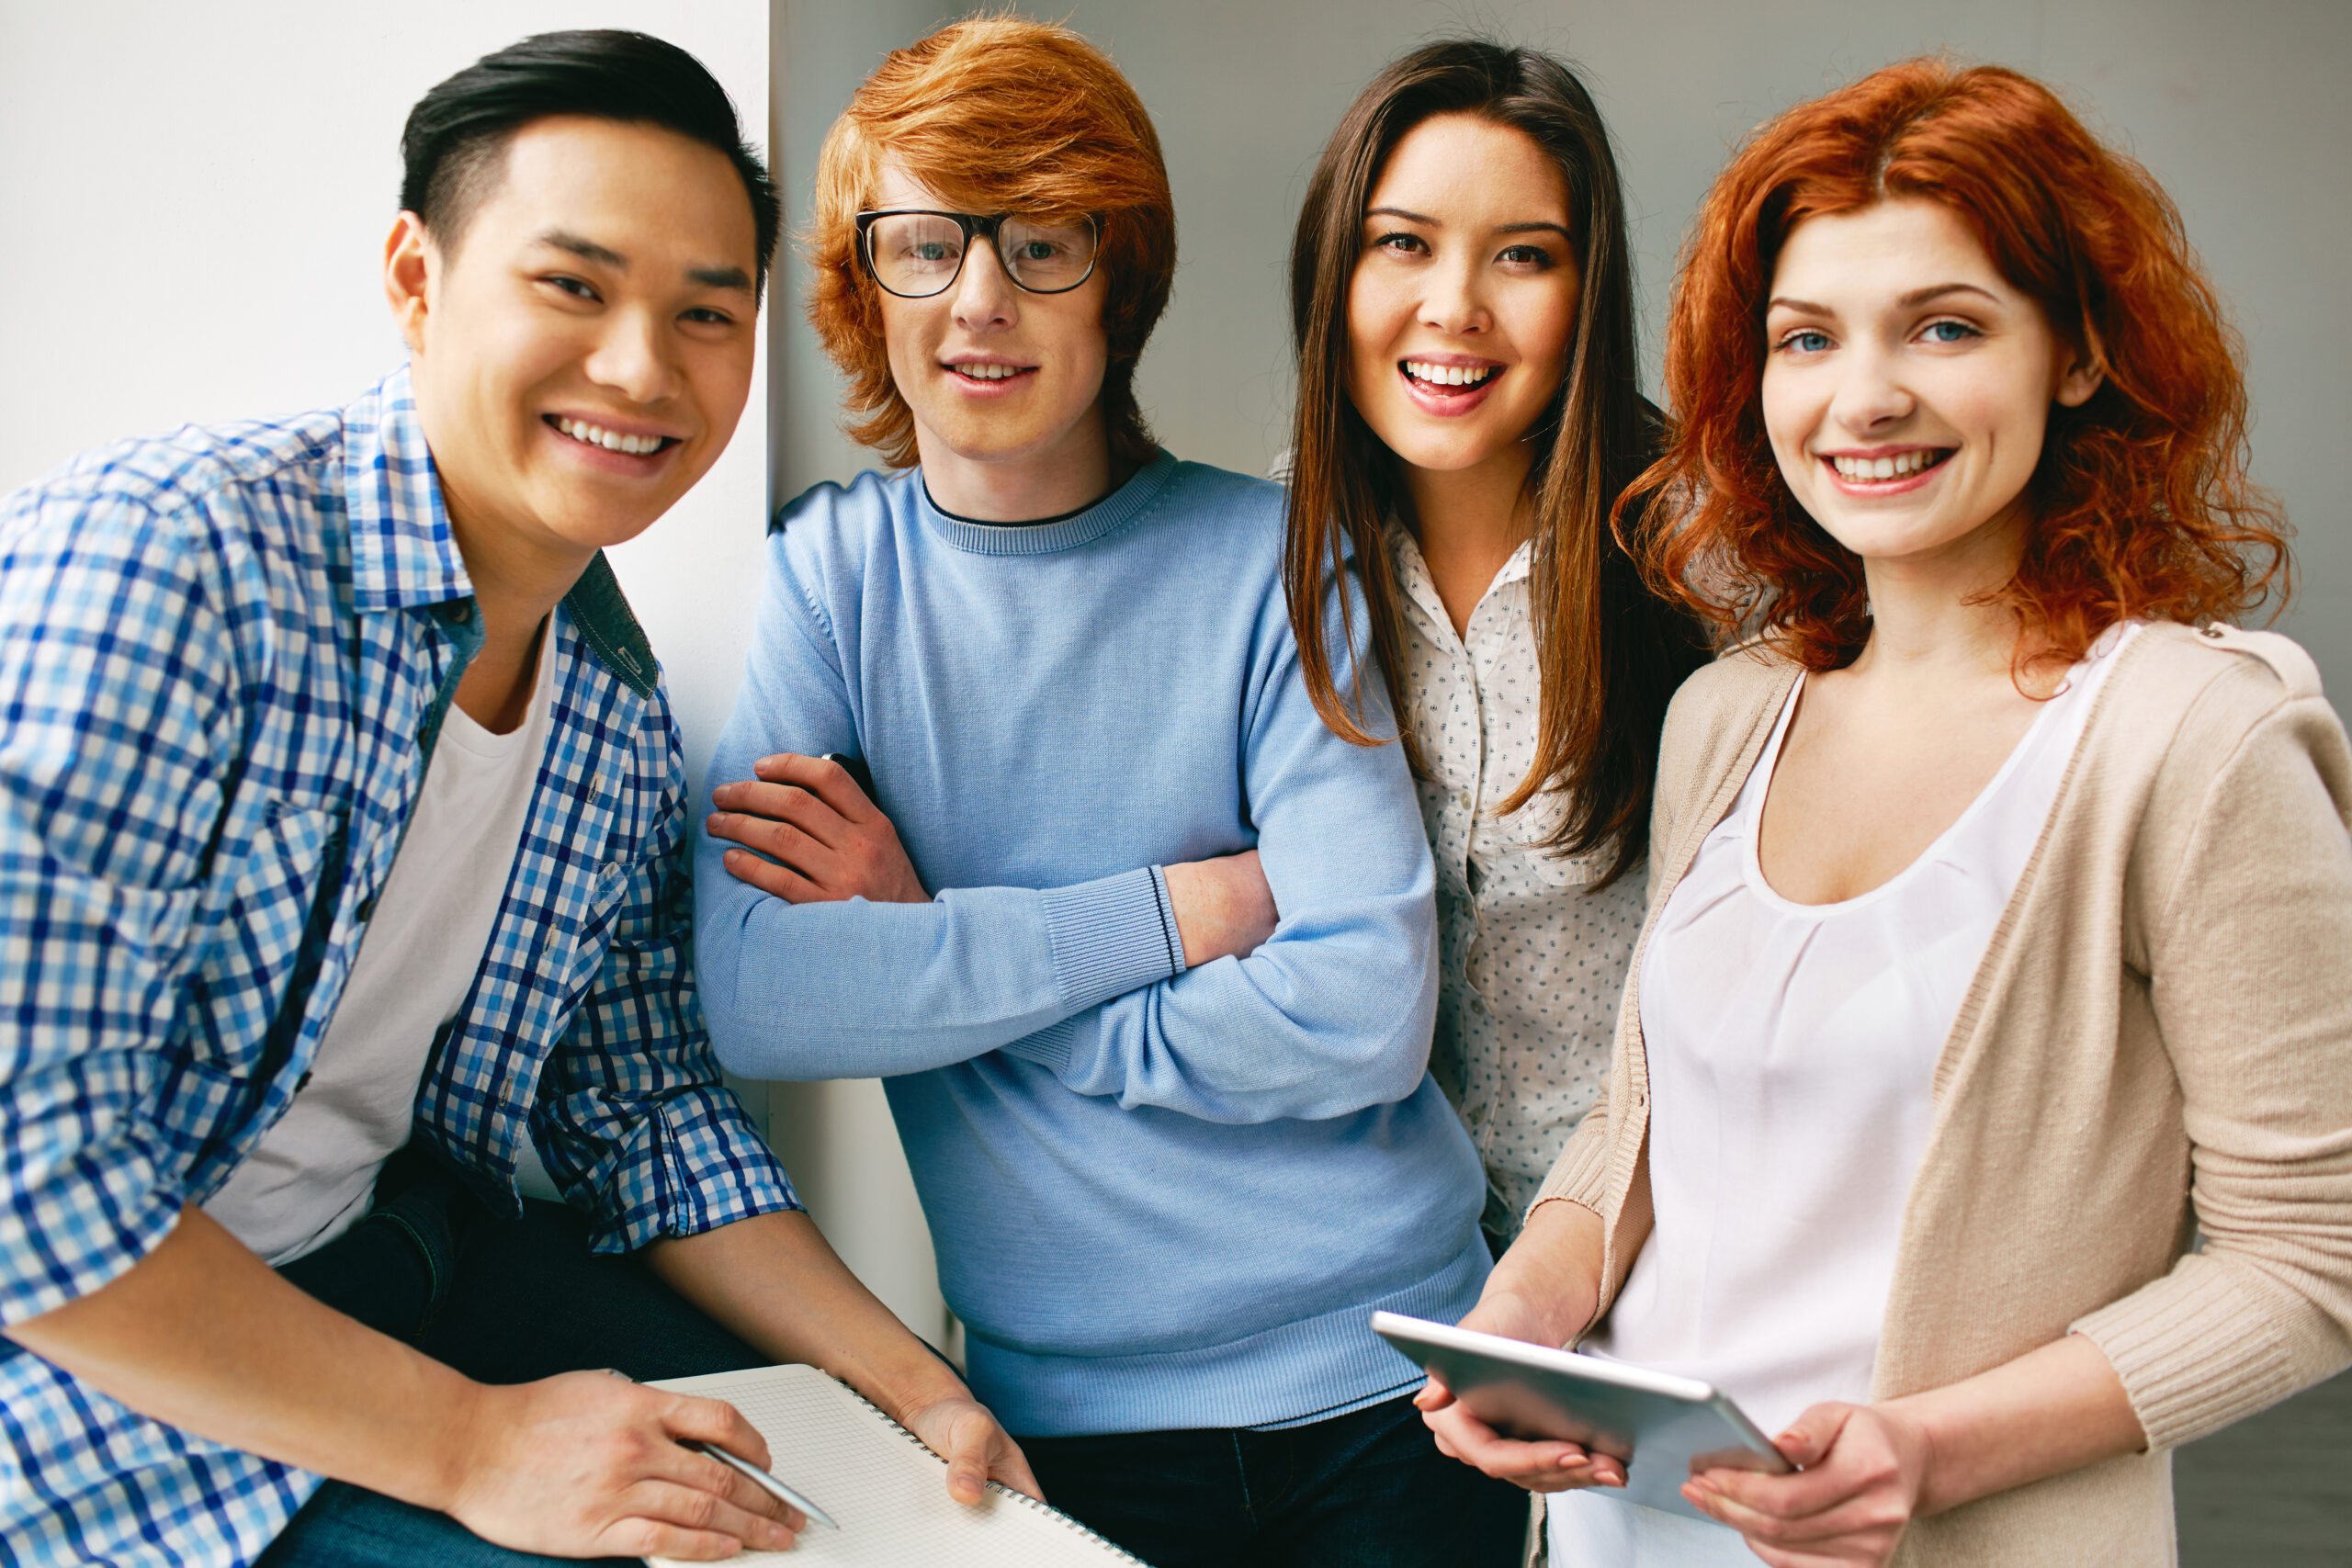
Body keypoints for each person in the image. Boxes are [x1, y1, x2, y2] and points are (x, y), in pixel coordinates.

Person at [0, 31, 1026, 1568]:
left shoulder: (609, 703)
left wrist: (902, 1380)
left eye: (705, 314)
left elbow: (643, 1111)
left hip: (401, 1257)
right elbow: (26, 1184)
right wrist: (471, 1447)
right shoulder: (167, 565)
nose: (640, 367)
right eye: (573, 286)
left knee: (898, 1520)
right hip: (104, 1373)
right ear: (416, 278)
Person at [1419, 58, 2352, 1566]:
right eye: (1808, 337)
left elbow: (2314, 1260)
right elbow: (1646, 1128)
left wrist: (1925, 1453)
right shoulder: (1732, 713)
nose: (1867, 396)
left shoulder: (2194, 738)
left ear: (2077, 354)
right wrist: (1523, 1316)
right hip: (1628, 1540)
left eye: (1947, 326)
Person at [692, 17, 1523, 1567]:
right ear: (861, 286)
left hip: (1386, 1386)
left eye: (1044, 244)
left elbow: (1361, 1008)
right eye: (925, 245)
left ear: (1120, 278)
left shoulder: (1274, 564)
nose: (981, 301)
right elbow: (764, 999)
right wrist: (1177, 910)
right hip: (1051, 1433)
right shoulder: (826, 585)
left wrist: (934, 939)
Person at [1282, 40, 1708, 1256]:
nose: (1454, 306)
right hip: (1378, 1281)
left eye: (1524, 256)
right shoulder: (1269, 568)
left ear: (1588, 293)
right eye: (1402, 243)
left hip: (1670, 1257)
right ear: (1335, 271)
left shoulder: (1708, 553)